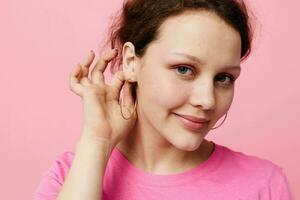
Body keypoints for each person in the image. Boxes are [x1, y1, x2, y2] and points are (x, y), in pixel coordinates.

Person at [34, 0, 294, 199]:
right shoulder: (70, 175)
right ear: (130, 62)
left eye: (224, 78)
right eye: (183, 69)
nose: (207, 100)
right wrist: (96, 141)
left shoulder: (265, 185)